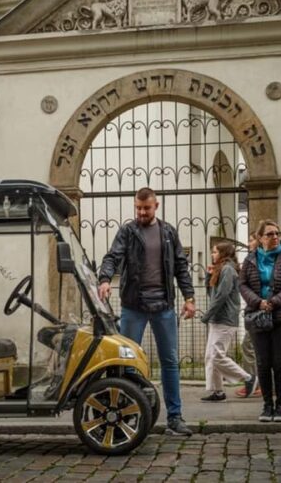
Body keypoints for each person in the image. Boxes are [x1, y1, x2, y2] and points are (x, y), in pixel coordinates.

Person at [97, 187, 196, 436]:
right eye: (138, 208)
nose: (141, 212)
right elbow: (112, 256)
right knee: (127, 363)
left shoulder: (168, 233)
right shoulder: (128, 232)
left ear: (156, 206)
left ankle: (175, 418)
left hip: (164, 306)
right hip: (134, 307)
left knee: (170, 362)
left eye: (146, 208)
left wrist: (189, 297)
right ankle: (125, 415)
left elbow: (181, 267)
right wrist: (105, 279)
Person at [240, 220, 281, 422]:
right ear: (260, 238)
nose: (275, 237)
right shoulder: (250, 260)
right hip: (258, 316)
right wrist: (258, 302)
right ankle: (267, 405)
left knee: (279, 362)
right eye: (269, 234)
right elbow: (243, 285)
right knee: (263, 363)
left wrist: (274, 302)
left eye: (277, 233)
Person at [200, 242, 256, 402]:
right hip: (217, 319)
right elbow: (211, 293)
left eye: (215, 252)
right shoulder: (220, 270)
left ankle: (248, 378)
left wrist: (207, 315)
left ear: (224, 253)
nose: (212, 255)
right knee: (210, 356)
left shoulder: (228, 270)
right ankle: (218, 391)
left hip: (225, 319)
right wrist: (209, 276)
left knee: (217, 356)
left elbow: (221, 296)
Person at [235, 233, 262, 399]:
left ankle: (253, 383)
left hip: (258, 310)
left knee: (249, 346)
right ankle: (259, 383)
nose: (248, 243)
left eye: (251, 240)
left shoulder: (254, 259)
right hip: (255, 309)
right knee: (254, 347)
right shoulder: (253, 259)